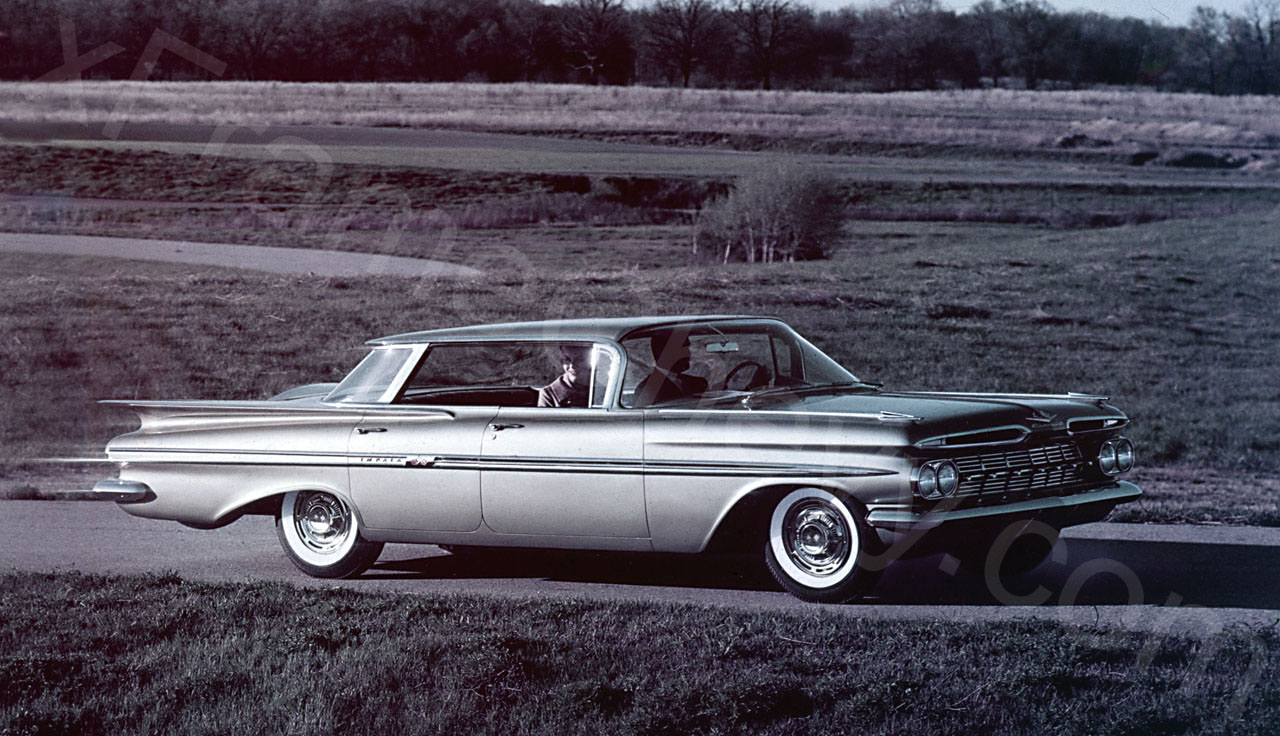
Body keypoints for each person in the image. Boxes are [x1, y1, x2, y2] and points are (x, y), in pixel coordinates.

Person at [632, 330, 707, 407]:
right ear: (667, 354)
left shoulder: (695, 382)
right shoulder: (647, 390)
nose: (689, 353)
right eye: (683, 349)